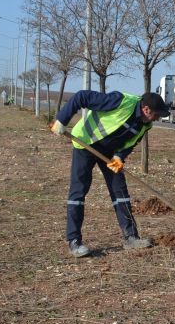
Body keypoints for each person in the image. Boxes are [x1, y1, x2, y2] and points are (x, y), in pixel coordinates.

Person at [51, 90, 168, 257]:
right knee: (79, 191)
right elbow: (81, 97)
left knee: (120, 192)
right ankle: (74, 241)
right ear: (146, 109)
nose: (158, 118)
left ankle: (131, 237)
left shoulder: (145, 124)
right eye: (157, 115)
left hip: (108, 153)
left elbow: (131, 142)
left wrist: (120, 156)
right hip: (85, 143)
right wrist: (62, 119)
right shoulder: (120, 101)